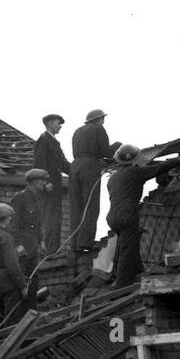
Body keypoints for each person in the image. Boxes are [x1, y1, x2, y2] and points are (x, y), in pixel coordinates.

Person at [106, 144, 171, 288]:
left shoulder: (113, 178)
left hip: (112, 217)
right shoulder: (134, 172)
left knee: (130, 244)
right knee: (127, 250)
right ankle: (122, 285)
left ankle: (139, 271)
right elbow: (159, 169)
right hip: (127, 215)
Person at [68, 109, 114, 254]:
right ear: (98, 119)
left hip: (74, 166)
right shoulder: (98, 128)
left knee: (76, 207)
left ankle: (74, 244)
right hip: (90, 166)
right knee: (90, 205)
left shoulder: (77, 131)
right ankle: (85, 242)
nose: (103, 121)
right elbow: (105, 152)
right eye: (102, 119)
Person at [32, 114, 70, 250]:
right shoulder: (43, 140)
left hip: (56, 184)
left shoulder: (54, 141)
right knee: (50, 217)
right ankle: (49, 249)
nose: (60, 126)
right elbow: (39, 163)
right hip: (49, 185)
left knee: (56, 217)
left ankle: (54, 249)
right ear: (49, 123)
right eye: (57, 123)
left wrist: (78, 172)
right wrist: (44, 183)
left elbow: (64, 164)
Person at [9, 168, 52, 268]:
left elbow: (37, 223)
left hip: (33, 247)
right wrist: (17, 245)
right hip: (22, 246)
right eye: (43, 180)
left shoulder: (37, 199)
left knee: (32, 279)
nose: (45, 183)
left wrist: (41, 241)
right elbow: (13, 223)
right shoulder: (20, 198)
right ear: (34, 181)